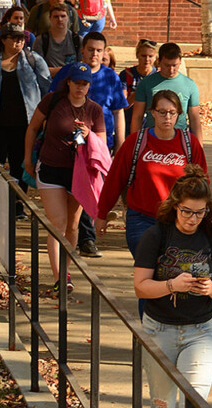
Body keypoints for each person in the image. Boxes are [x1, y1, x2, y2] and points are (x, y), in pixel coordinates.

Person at [133, 165, 212, 408]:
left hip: (199, 332)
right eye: (187, 211)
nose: (192, 218)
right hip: (160, 328)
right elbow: (140, 286)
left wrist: (211, 291)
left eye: (199, 213)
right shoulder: (156, 234)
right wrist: (171, 285)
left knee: (196, 406)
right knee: (162, 406)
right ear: (176, 205)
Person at [99, 89, 208, 319]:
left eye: (172, 112)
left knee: (169, 275)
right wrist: (101, 213)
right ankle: (148, 330)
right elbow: (115, 178)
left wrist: (203, 218)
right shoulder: (137, 142)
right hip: (142, 219)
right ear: (152, 113)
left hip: (178, 220)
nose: (167, 117)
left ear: (179, 114)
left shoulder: (189, 144)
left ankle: (167, 325)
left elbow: (202, 184)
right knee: (151, 274)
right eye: (161, 112)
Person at [24, 62, 107, 292]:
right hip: (50, 168)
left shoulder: (94, 110)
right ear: (68, 82)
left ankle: (65, 271)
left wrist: (89, 134)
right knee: (57, 223)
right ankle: (60, 277)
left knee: (72, 226)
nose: (80, 88)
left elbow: (101, 146)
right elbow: (32, 128)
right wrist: (28, 160)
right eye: (76, 83)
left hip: (79, 173)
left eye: (85, 84)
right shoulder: (52, 101)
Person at [49, 32, 128, 258]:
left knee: (91, 188)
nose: (94, 54)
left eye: (99, 50)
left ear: (105, 52)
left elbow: (118, 111)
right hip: (68, 145)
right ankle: (83, 237)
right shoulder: (68, 73)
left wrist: (120, 145)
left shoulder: (110, 77)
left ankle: (87, 237)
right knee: (78, 190)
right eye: (90, 49)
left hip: (99, 144)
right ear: (82, 50)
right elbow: (52, 102)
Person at [0, 23, 51, 219]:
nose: (19, 41)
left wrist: (48, 116)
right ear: (3, 40)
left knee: (21, 166)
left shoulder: (33, 60)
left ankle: (17, 205)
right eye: (14, 38)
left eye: (21, 38)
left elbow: (47, 90)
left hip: (25, 126)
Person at [131, 43, 203, 144]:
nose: (171, 70)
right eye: (167, 65)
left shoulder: (189, 85)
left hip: (179, 139)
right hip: (151, 139)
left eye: (175, 65)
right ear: (159, 61)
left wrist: (199, 147)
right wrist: (135, 143)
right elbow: (137, 116)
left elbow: (194, 119)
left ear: (180, 62)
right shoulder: (146, 83)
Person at [119, 39, 158, 134]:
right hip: (129, 123)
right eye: (143, 56)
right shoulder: (127, 74)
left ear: (155, 57)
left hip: (152, 125)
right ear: (137, 55)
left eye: (150, 56)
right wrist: (139, 91)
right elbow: (123, 105)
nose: (147, 59)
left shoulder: (158, 75)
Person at [34, 4, 83, 74]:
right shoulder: (41, 40)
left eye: (63, 16)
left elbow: (82, 67)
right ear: (50, 18)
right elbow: (39, 68)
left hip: (72, 82)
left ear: (68, 18)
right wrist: (66, 70)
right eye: (56, 17)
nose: (60, 19)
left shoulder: (78, 40)